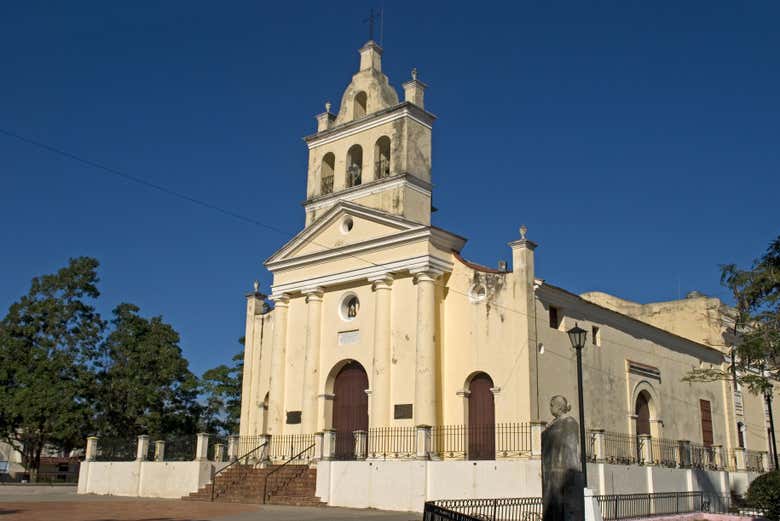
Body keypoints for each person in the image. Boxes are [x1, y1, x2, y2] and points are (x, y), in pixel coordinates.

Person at [542, 395, 584, 521]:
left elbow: (571, 452)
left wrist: (570, 475)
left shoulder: (569, 423)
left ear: (559, 407)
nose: (550, 407)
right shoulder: (553, 424)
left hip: (564, 477)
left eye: (551, 404)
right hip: (551, 479)